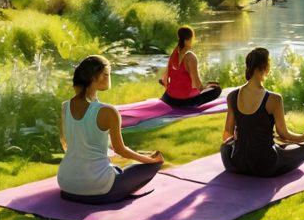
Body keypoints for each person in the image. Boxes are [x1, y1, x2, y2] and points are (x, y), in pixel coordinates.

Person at [57, 55, 164, 204]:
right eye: (106, 74)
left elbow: (65, 144)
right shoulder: (109, 111)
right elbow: (121, 150)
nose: (109, 78)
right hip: (98, 187)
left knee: (117, 168)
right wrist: (151, 160)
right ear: (95, 78)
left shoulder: (65, 107)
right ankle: (149, 163)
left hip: (66, 183)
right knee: (152, 165)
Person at [220, 47, 304, 177]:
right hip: (265, 165)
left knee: (227, 148)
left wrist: (241, 139)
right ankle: (284, 148)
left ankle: (274, 147)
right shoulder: (274, 99)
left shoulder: (232, 96)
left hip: (238, 164)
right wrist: (303, 137)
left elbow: (227, 133)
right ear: (266, 67)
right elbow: (283, 133)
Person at [160, 25, 221, 108]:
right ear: (189, 39)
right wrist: (207, 87)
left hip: (169, 99)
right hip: (186, 101)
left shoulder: (173, 54)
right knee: (217, 90)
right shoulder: (190, 56)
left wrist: (174, 91)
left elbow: (164, 80)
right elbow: (196, 84)